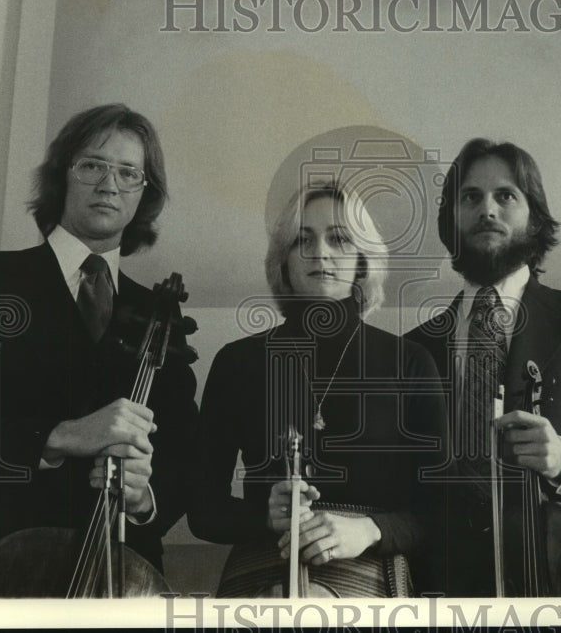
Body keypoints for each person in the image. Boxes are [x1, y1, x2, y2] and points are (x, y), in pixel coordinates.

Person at [0, 103, 199, 597]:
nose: (110, 184)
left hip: (115, 572)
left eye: (129, 173)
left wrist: (145, 497)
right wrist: (60, 436)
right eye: (92, 165)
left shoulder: (160, 313)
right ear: (63, 174)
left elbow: (183, 458)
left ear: (143, 193)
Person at [405, 138, 561, 597]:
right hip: (448, 588)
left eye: (506, 195)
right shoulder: (412, 350)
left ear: (534, 216)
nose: (487, 210)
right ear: (452, 219)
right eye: (470, 197)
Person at [189, 183, 446, 597]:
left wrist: (369, 529)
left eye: (339, 239)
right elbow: (202, 509)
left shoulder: (410, 361)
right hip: (262, 567)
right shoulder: (237, 362)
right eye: (302, 240)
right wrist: (264, 517)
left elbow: (440, 510)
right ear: (284, 262)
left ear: (363, 261)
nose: (320, 253)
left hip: (369, 564)